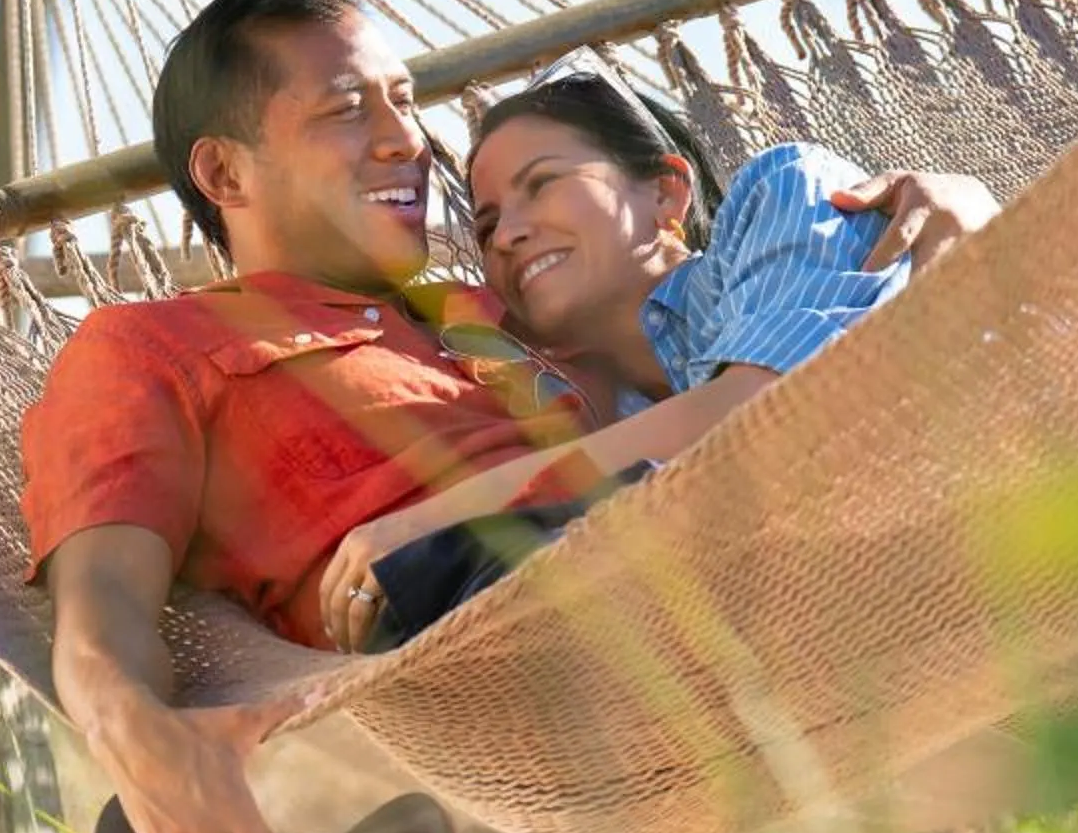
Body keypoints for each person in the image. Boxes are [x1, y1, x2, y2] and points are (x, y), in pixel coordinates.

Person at [21, 0, 988, 833]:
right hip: (492, 625)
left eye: (406, 100)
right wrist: (131, 730)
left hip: (737, 539)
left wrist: (952, 202)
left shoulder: (497, 310)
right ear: (225, 169)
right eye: (348, 110)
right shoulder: (153, 347)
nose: (407, 141)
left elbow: (722, 314)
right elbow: (104, 603)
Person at [304, 54, 961, 652]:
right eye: (487, 223)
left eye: (544, 183)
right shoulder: (577, 413)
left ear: (665, 195)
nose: (508, 234)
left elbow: (763, 415)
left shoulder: (788, 193)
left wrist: (438, 518)